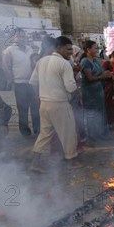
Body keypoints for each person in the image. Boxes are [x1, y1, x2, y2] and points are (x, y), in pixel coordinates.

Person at [29, 36, 83, 172]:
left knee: (45, 134)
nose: (71, 52)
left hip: (45, 104)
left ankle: (35, 163)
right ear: (59, 48)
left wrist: (45, 92)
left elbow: (33, 82)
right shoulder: (64, 64)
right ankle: (71, 161)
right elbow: (71, 87)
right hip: (59, 104)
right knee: (69, 133)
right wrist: (77, 93)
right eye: (68, 49)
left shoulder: (41, 61)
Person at [2, 28, 40, 136]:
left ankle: (37, 130)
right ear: (13, 37)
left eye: (23, 36)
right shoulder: (8, 51)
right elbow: (6, 68)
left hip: (32, 83)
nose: (22, 38)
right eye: (19, 36)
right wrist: (12, 80)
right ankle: (25, 131)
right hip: (20, 84)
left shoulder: (30, 49)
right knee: (23, 108)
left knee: (35, 107)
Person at [80, 40, 113, 142]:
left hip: (98, 92)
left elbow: (101, 73)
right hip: (90, 93)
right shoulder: (85, 61)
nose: (97, 50)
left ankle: (101, 133)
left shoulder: (95, 61)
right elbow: (90, 78)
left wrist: (106, 73)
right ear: (88, 50)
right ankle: (93, 136)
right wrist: (102, 76)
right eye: (95, 48)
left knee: (101, 112)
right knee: (92, 114)